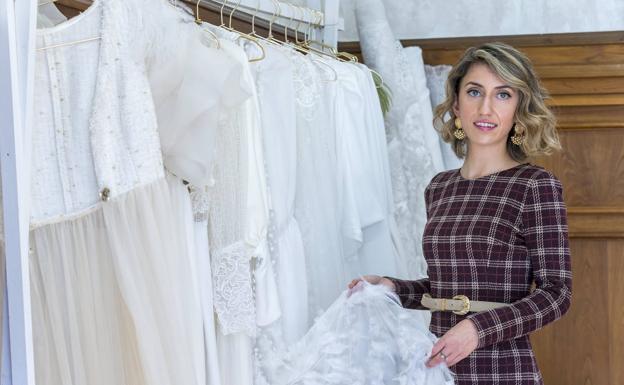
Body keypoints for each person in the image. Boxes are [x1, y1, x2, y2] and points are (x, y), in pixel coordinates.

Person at [349, 42, 572, 385]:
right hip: (437, 367)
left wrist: (476, 330)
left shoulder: (534, 186)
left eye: (502, 95)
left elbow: (556, 293)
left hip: (503, 369)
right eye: (474, 92)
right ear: (456, 103)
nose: (485, 108)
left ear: (519, 108)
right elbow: (444, 288)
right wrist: (392, 287)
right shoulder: (439, 188)